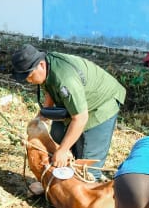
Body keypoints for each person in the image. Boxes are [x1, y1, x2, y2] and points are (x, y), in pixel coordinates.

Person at [11, 44, 126, 180]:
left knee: (86, 167)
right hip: (77, 103)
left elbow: (81, 118)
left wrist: (63, 150)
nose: (28, 81)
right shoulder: (46, 67)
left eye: (29, 76)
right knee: (57, 134)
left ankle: (84, 183)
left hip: (101, 104)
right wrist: (43, 116)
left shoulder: (66, 80)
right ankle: (65, 173)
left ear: (41, 65)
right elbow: (49, 87)